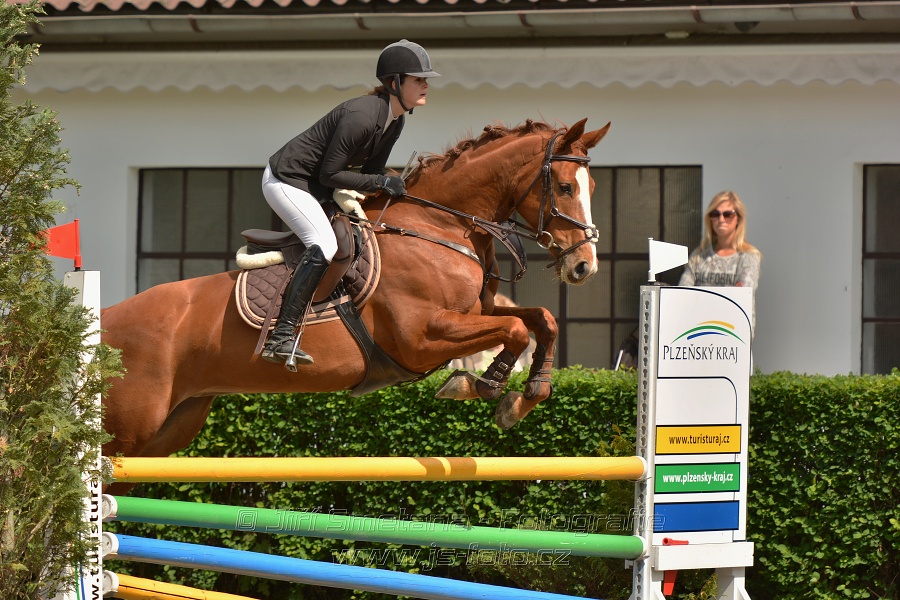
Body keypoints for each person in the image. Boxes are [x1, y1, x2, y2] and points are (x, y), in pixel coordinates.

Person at [260, 39, 440, 366]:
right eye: (418, 78)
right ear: (394, 82)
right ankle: (281, 336)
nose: (426, 84)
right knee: (324, 243)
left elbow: (371, 171)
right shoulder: (362, 115)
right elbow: (331, 174)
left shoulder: (395, 120)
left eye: (425, 78)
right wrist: (383, 181)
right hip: (286, 179)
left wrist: (406, 184)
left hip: (315, 185)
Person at [678, 190, 762, 331]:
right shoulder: (698, 256)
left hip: (735, 336)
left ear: (738, 219)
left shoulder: (748, 257)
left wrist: (700, 298)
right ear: (710, 219)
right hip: (698, 335)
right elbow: (682, 294)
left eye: (728, 214)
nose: (721, 219)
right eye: (715, 214)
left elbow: (742, 297)